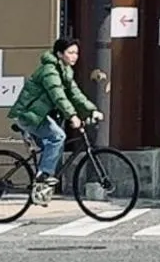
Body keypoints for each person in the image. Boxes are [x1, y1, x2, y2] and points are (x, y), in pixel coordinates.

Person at [8, 36, 102, 204]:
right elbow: (58, 96)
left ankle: (40, 191)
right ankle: (43, 176)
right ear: (59, 54)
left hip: (39, 116)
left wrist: (91, 110)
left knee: (53, 146)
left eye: (76, 53)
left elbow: (75, 94)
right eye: (70, 52)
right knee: (57, 137)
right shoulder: (49, 71)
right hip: (29, 115)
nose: (74, 56)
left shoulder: (65, 71)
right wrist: (72, 115)